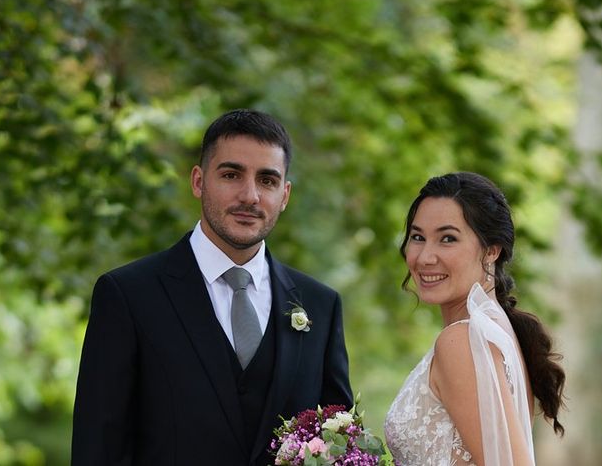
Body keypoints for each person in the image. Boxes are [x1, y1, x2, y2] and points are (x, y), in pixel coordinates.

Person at [72, 109, 352, 466]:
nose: (250, 195)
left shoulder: (321, 306)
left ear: (285, 195)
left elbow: (339, 446)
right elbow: (98, 449)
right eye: (232, 174)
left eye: (267, 180)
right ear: (198, 181)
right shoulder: (128, 295)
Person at [383, 172, 566, 466]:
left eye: (447, 239)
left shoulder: (461, 341)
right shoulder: (495, 332)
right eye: (418, 237)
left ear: (491, 250)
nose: (425, 257)